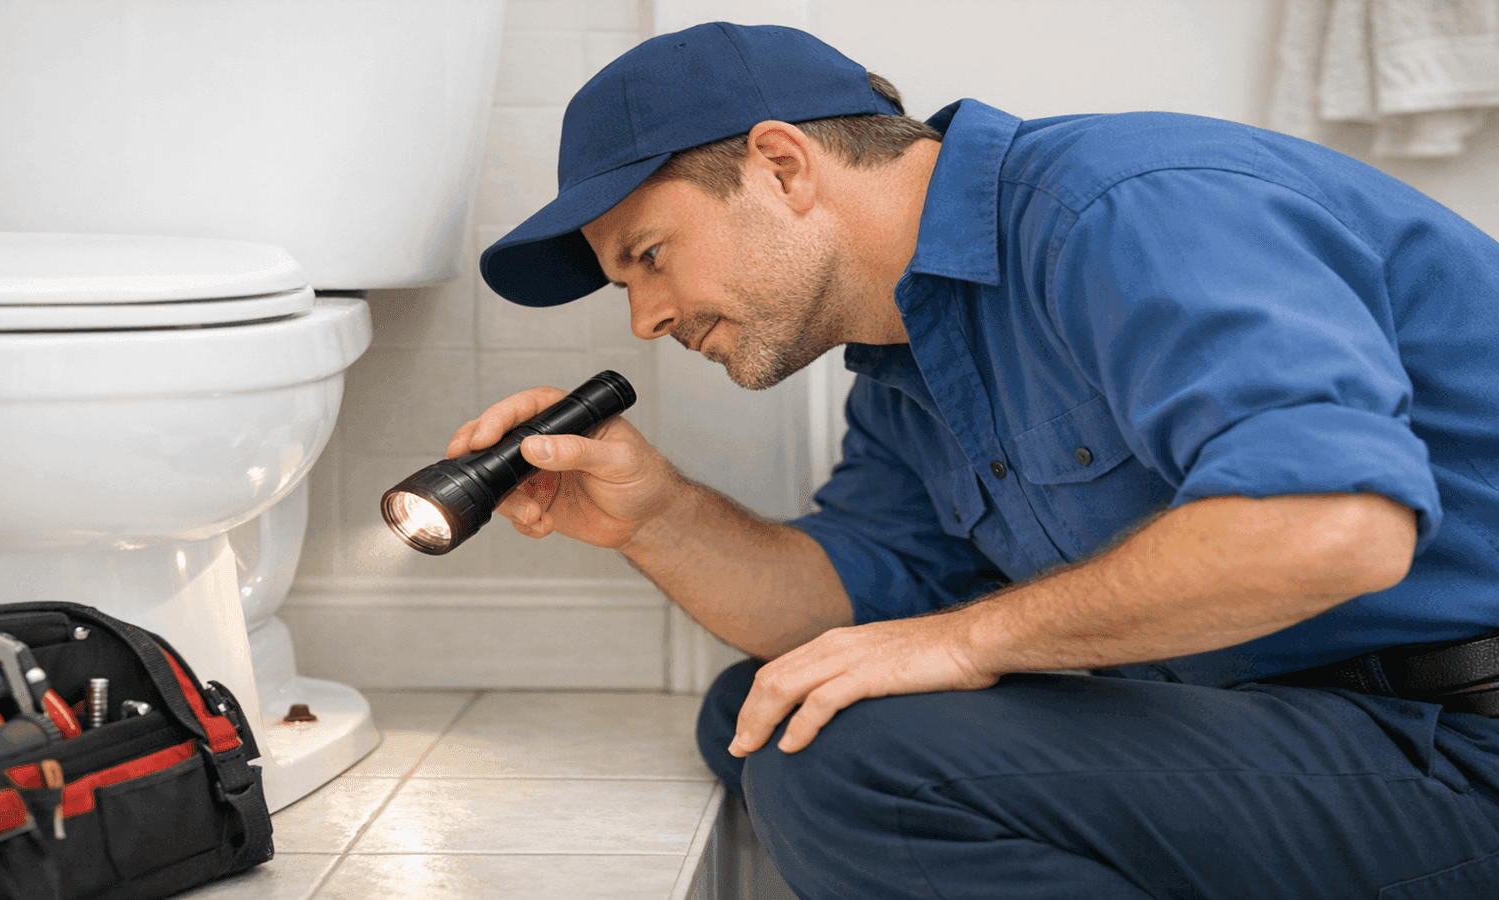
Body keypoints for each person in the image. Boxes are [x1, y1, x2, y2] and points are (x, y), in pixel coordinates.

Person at [462, 21, 1499, 899]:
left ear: (781, 166)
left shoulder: (1124, 208)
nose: (645, 319)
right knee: (765, 708)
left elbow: (1334, 526)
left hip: (1459, 740)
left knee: (855, 766)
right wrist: (658, 515)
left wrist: (970, 641)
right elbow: (838, 615)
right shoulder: (905, 369)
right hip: (1308, 723)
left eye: (648, 256)